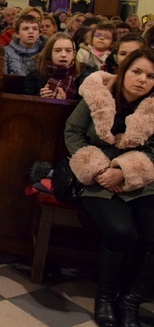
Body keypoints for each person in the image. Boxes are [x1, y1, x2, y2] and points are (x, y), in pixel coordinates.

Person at [65, 48, 154, 327]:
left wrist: (125, 171)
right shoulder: (98, 94)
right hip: (97, 180)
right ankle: (104, 299)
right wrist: (102, 169)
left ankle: (130, 300)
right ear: (124, 70)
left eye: (150, 76)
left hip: (139, 182)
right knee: (122, 232)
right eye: (136, 72)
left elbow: (153, 150)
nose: (142, 80)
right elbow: (73, 132)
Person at [22, 33, 79, 99]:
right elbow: (25, 103)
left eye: (68, 51)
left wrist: (65, 101)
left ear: (73, 54)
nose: (63, 55)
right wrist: (40, 97)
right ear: (49, 53)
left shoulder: (80, 75)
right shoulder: (35, 74)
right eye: (58, 50)